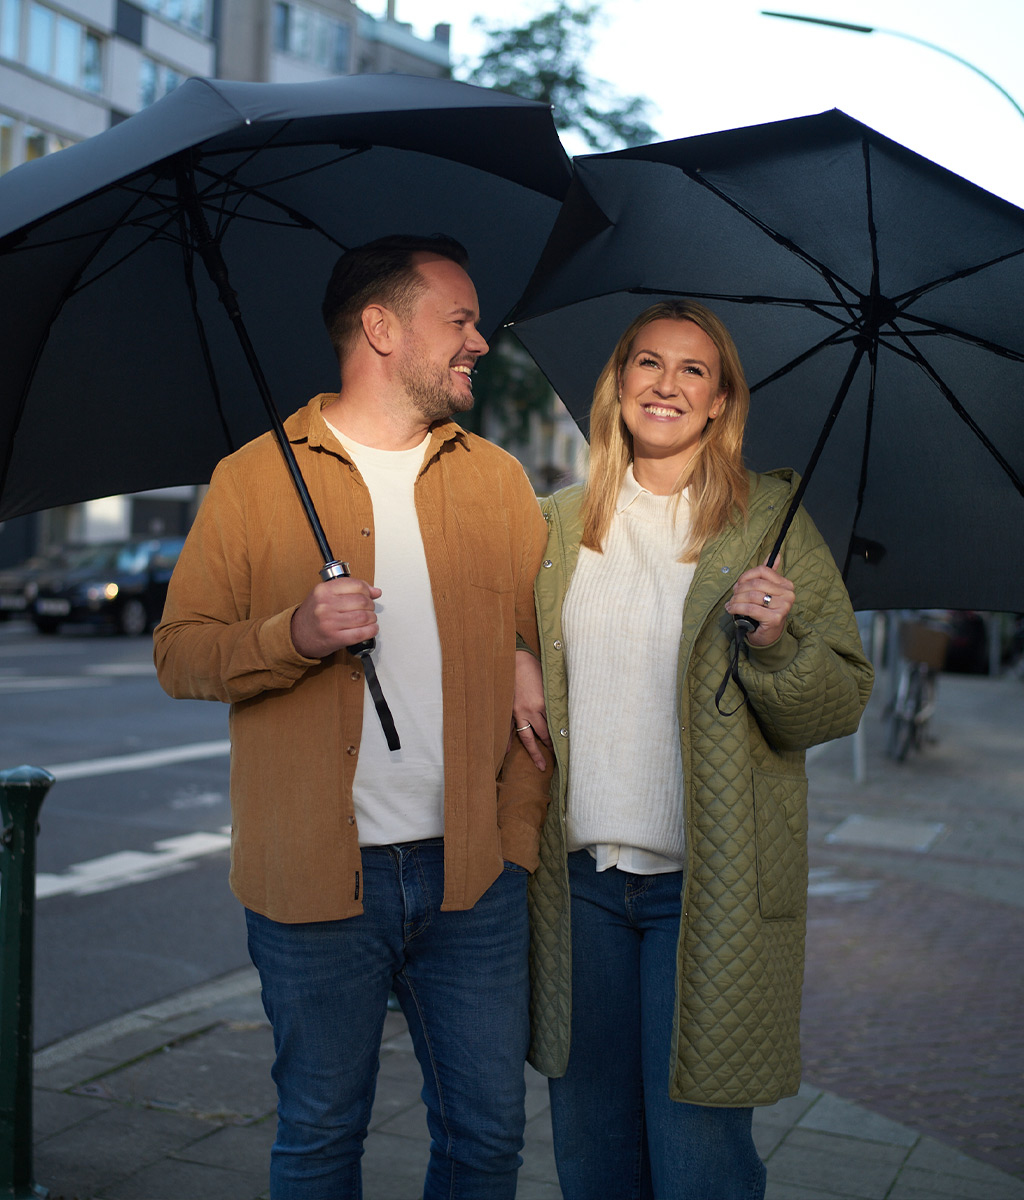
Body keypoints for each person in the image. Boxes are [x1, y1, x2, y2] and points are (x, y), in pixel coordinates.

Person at [153, 233, 550, 1199]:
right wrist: (291, 631)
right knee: (322, 1138)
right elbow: (179, 653)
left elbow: (541, 641)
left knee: (487, 1140)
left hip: (474, 880)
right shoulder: (254, 478)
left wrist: (528, 663)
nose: (480, 342)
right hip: (315, 891)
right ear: (381, 326)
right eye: (459, 320)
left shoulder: (496, 480)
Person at [513, 300, 874, 1200]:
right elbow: (495, 637)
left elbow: (837, 702)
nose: (666, 384)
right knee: (593, 1159)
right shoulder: (555, 523)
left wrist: (778, 644)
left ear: (720, 402)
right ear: (619, 383)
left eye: (693, 370)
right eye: (647, 363)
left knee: (697, 1165)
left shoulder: (770, 524)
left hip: (707, 892)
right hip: (579, 885)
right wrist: (513, 656)